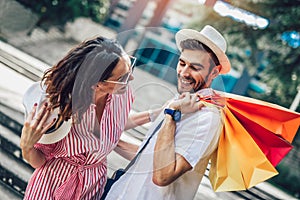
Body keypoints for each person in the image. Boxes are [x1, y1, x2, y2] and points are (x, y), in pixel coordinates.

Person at [104, 25, 231, 200]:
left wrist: (171, 114)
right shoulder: (177, 102)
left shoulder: (207, 118)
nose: (184, 73)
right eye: (182, 63)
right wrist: (105, 140)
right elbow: (147, 158)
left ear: (214, 72)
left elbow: (162, 175)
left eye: (194, 67)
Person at [20, 36, 146, 200]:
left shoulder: (122, 95)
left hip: (93, 188)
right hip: (52, 188)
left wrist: (156, 114)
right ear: (97, 83)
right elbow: (40, 161)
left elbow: (115, 126)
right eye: (122, 78)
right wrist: (26, 147)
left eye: (130, 69)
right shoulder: (61, 109)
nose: (131, 79)